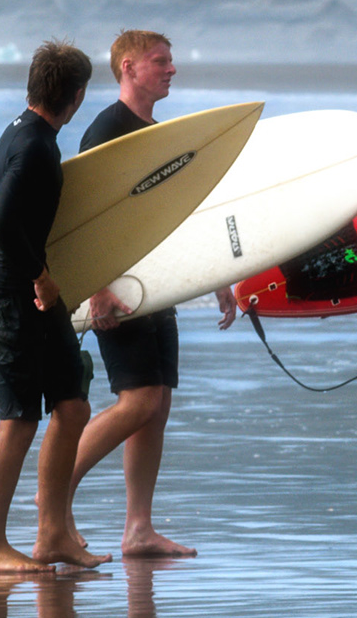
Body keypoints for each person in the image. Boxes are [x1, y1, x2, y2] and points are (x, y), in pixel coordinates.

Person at [64, 30, 235, 559]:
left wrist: (220, 277)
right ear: (129, 68)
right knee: (137, 401)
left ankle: (138, 528)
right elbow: (83, 220)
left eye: (171, 61)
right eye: (160, 62)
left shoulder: (155, 132)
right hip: (118, 286)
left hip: (158, 286)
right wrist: (98, 290)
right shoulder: (106, 132)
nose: (171, 70)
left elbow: (177, 217)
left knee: (156, 405)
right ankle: (52, 502)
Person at [0, 40, 110, 574]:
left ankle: (52, 535)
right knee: (19, 422)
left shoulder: (24, 134)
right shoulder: (32, 145)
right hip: (13, 297)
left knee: (73, 406)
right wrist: (41, 276)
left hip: (33, 298)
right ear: (77, 96)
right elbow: (1, 221)